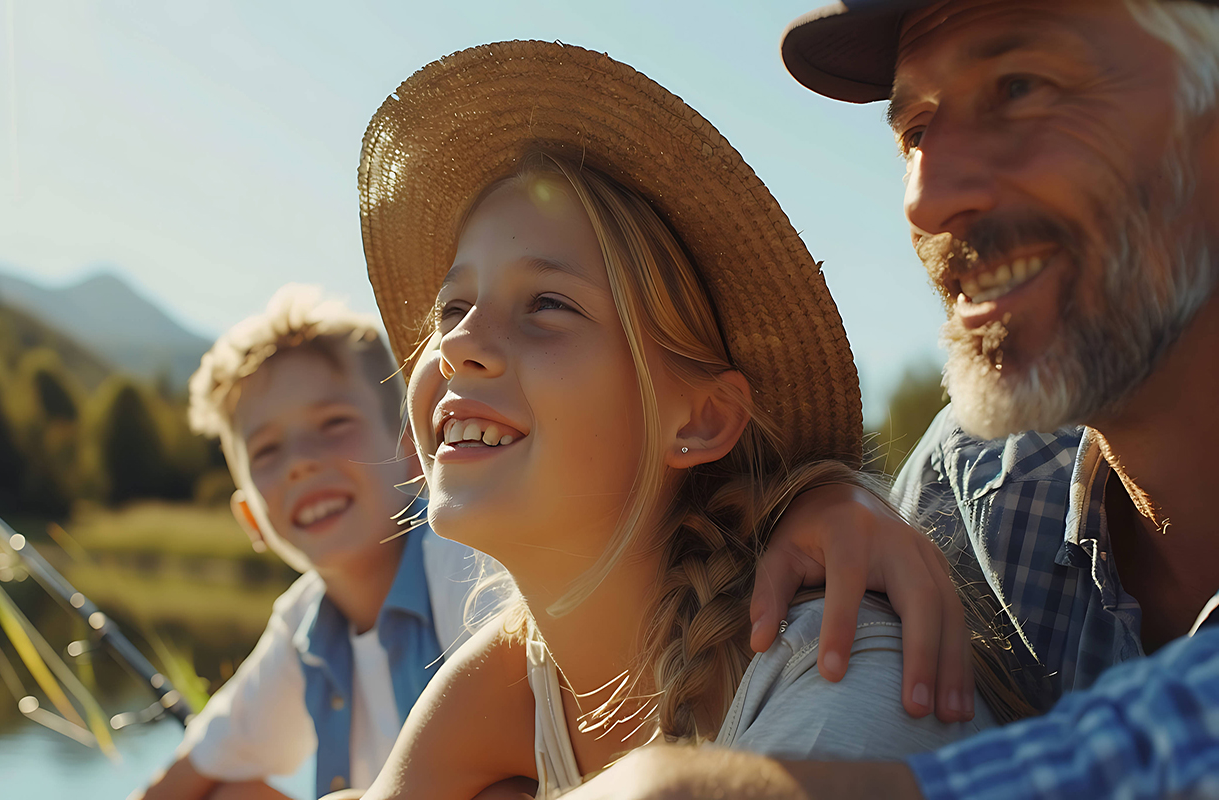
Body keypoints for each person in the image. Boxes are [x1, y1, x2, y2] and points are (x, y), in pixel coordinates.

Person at [566, 0, 1219, 796]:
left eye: (1019, 88)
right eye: (914, 130)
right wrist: (829, 506)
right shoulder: (971, 491)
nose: (924, 197)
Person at [352, 41, 1034, 800]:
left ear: (703, 419)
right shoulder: (508, 680)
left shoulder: (838, 665)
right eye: (452, 308)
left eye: (548, 305)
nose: (457, 344)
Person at [134, 285, 490, 800]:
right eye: (268, 449)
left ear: (416, 451)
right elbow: (184, 775)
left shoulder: (469, 563)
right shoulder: (301, 625)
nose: (301, 460)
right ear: (250, 518)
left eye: (333, 423)